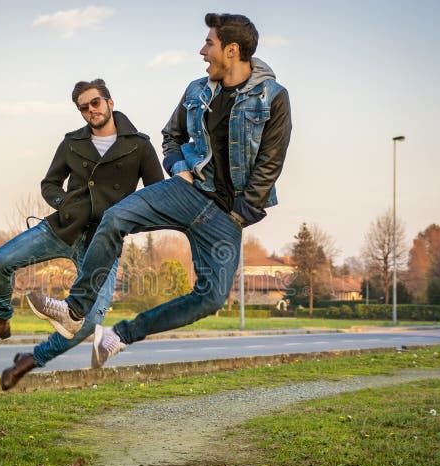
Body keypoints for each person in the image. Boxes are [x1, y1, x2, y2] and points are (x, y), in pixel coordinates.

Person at [27, 13, 292, 366]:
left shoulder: (272, 97)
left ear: (231, 50)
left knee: (211, 299)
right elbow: (172, 136)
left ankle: (119, 336)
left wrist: (239, 214)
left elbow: (270, 164)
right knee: (115, 217)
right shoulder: (197, 90)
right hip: (188, 192)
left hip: (227, 216)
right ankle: (74, 310)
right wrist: (179, 167)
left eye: (209, 43)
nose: (202, 51)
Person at [0, 78, 163, 390]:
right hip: (64, 227)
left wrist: (127, 220)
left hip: (104, 240)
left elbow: (156, 195)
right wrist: (64, 204)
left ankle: (30, 360)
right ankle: (1, 320)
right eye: (83, 107)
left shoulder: (139, 145)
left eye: (95, 103)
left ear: (110, 103)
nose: (90, 111)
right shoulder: (72, 143)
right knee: (2, 259)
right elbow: (50, 183)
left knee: (89, 320)